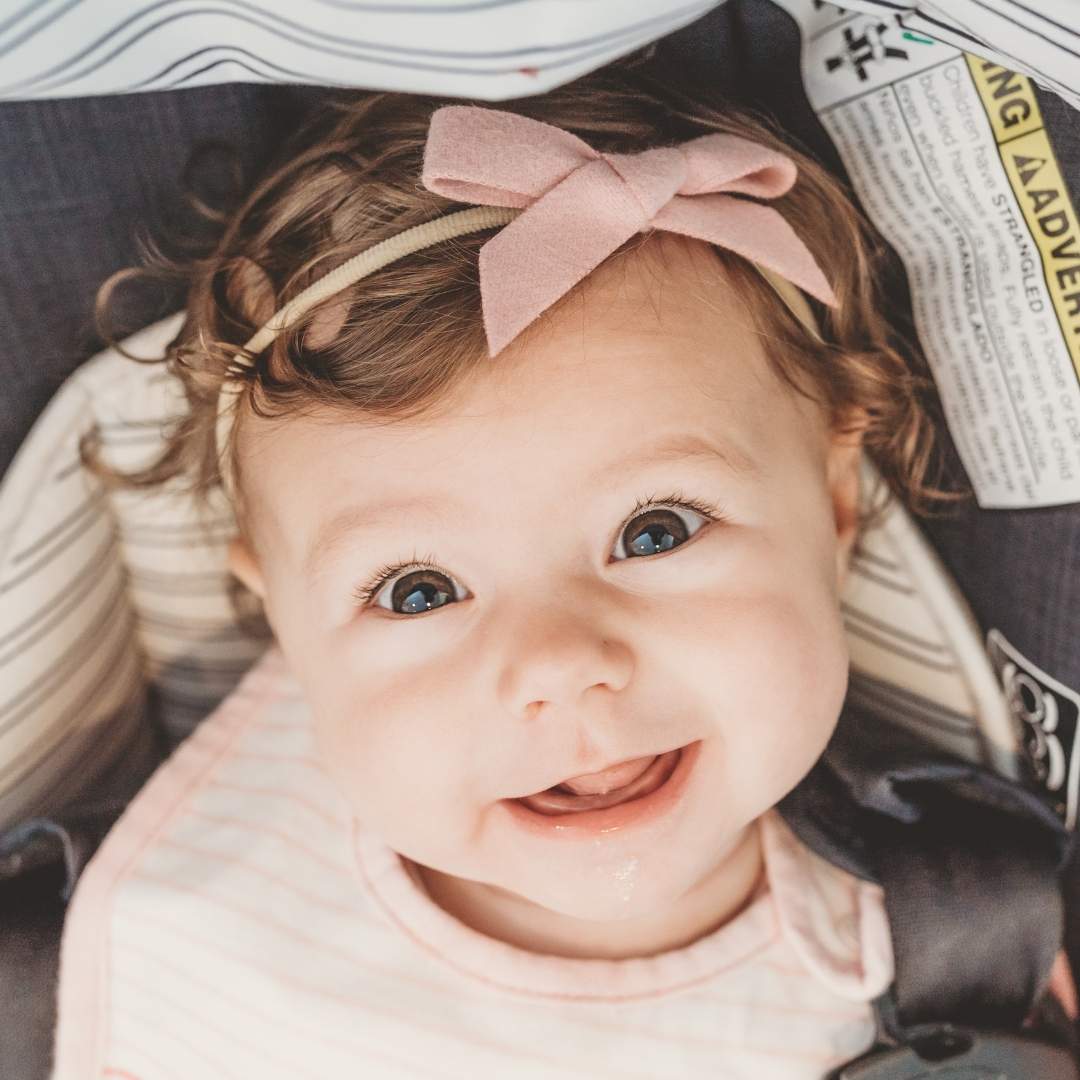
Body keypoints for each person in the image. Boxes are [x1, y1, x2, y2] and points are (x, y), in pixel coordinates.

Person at [58, 64, 1070, 1077]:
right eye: (418, 591)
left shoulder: (967, 939)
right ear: (283, 617)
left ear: (836, 502)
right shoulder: (188, 935)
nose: (559, 665)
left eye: (657, 530)